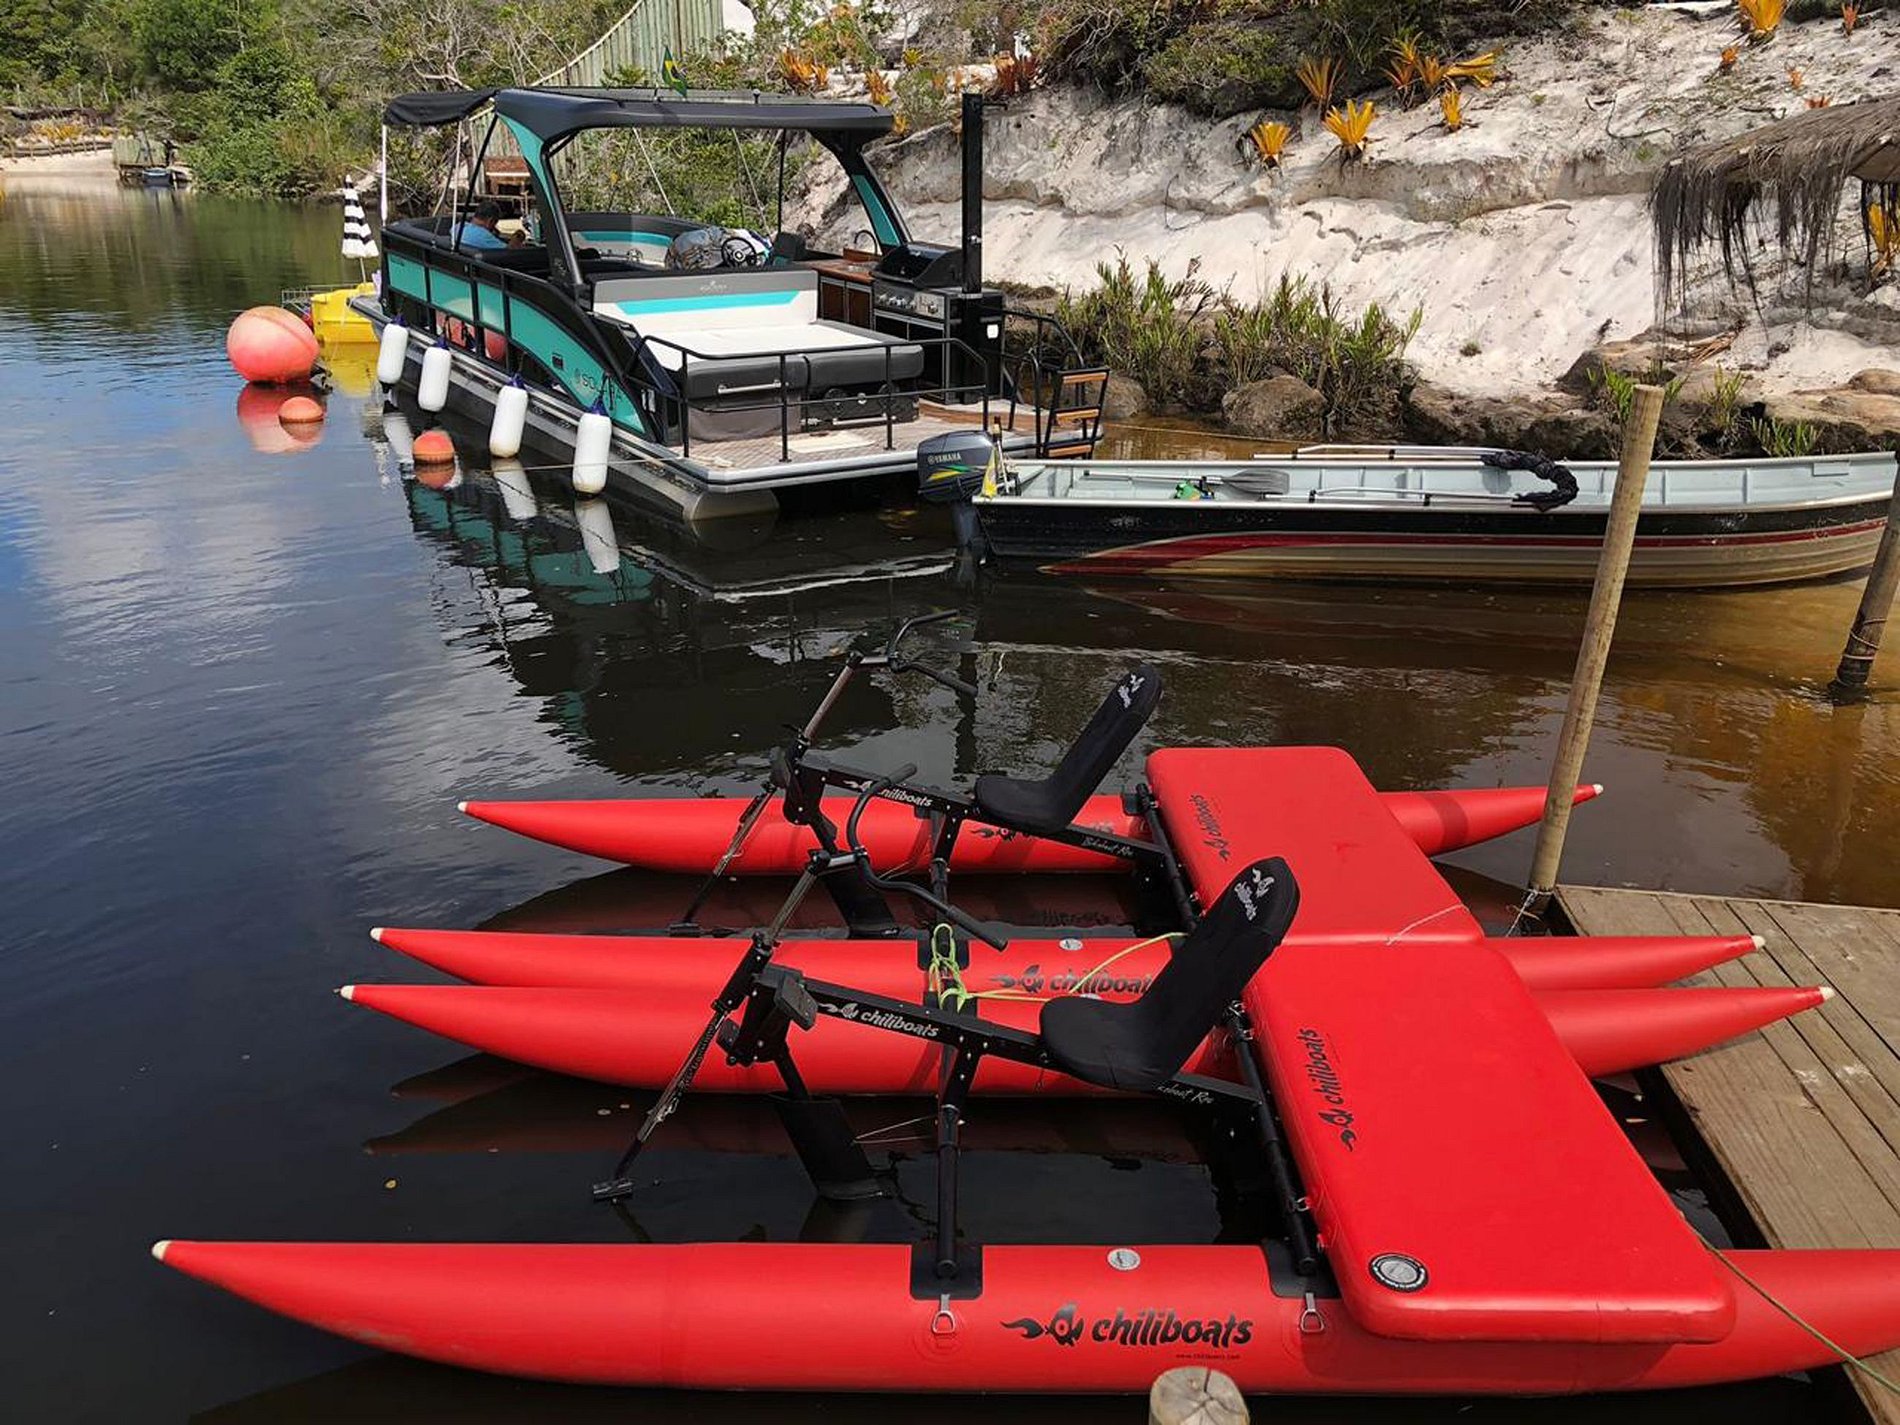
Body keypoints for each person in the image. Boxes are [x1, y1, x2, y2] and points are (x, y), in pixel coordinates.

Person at [453, 200, 523, 251]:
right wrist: (516, 240)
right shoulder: (484, 237)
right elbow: (509, 252)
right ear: (490, 221)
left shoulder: (457, 228)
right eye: (495, 222)